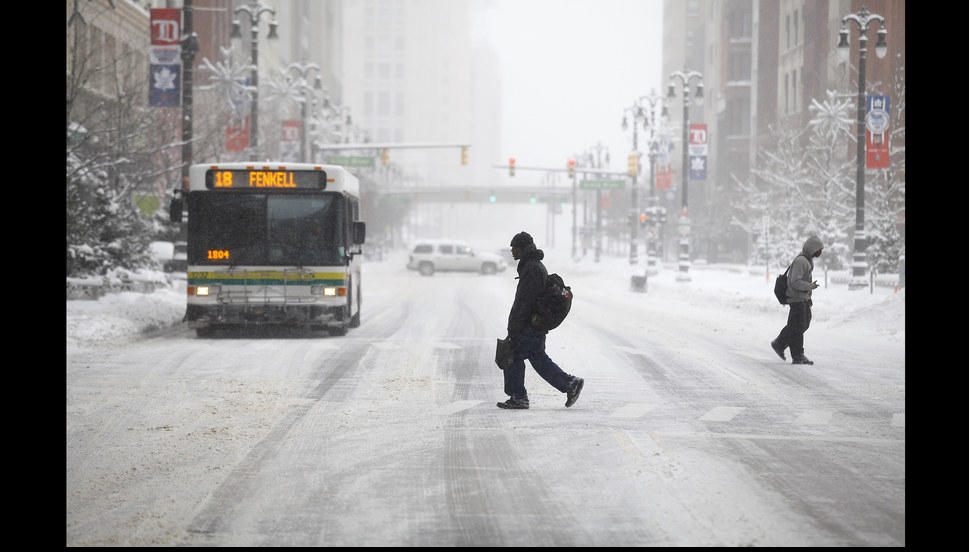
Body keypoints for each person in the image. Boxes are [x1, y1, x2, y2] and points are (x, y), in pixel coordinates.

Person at [498, 231, 584, 409]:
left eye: (514, 248)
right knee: (538, 359)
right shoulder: (533, 266)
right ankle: (570, 384)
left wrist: (514, 327)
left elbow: (524, 301)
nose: (512, 252)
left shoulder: (531, 269)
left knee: (512, 355)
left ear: (522, 249)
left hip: (530, 324)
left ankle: (519, 396)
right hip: (535, 323)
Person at [771, 235, 823, 365]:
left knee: (801, 325)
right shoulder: (801, 261)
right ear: (812, 249)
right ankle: (797, 355)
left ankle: (780, 344)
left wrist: (808, 297)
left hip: (802, 298)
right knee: (797, 327)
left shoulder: (807, 261)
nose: (820, 252)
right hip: (796, 298)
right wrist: (810, 287)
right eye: (819, 249)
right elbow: (795, 282)